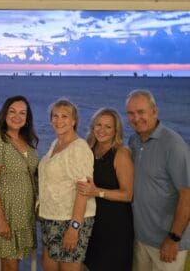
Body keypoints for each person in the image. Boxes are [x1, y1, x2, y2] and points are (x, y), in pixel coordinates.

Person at [126, 89, 190, 271]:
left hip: (167, 243)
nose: (136, 118)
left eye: (141, 112)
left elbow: (187, 194)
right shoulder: (134, 141)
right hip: (140, 239)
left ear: (154, 111)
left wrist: (174, 238)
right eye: (130, 113)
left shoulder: (174, 145)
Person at [0, 95, 38, 271]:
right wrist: (1, 219)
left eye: (22, 113)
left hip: (23, 213)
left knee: (16, 261)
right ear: (4, 114)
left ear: (27, 118)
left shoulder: (27, 142)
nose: (17, 116)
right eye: (12, 111)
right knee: (10, 264)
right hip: (5, 211)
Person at [38, 99, 96, 271]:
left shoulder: (79, 148)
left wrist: (74, 228)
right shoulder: (56, 143)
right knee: (48, 266)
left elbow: (83, 191)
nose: (59, 120)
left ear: (74, 121)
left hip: (70, 221)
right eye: (55, 116)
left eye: (64, 116)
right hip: (51, 218)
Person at [77, 108, 134, 270]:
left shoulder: (121, 154)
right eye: (99, 125)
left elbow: (128, 194)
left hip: (115, 227)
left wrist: (97, 192)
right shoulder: (89, 150)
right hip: (93, 224)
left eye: (108, 127)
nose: (102, 130)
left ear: (116, 130)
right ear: (93, 126)